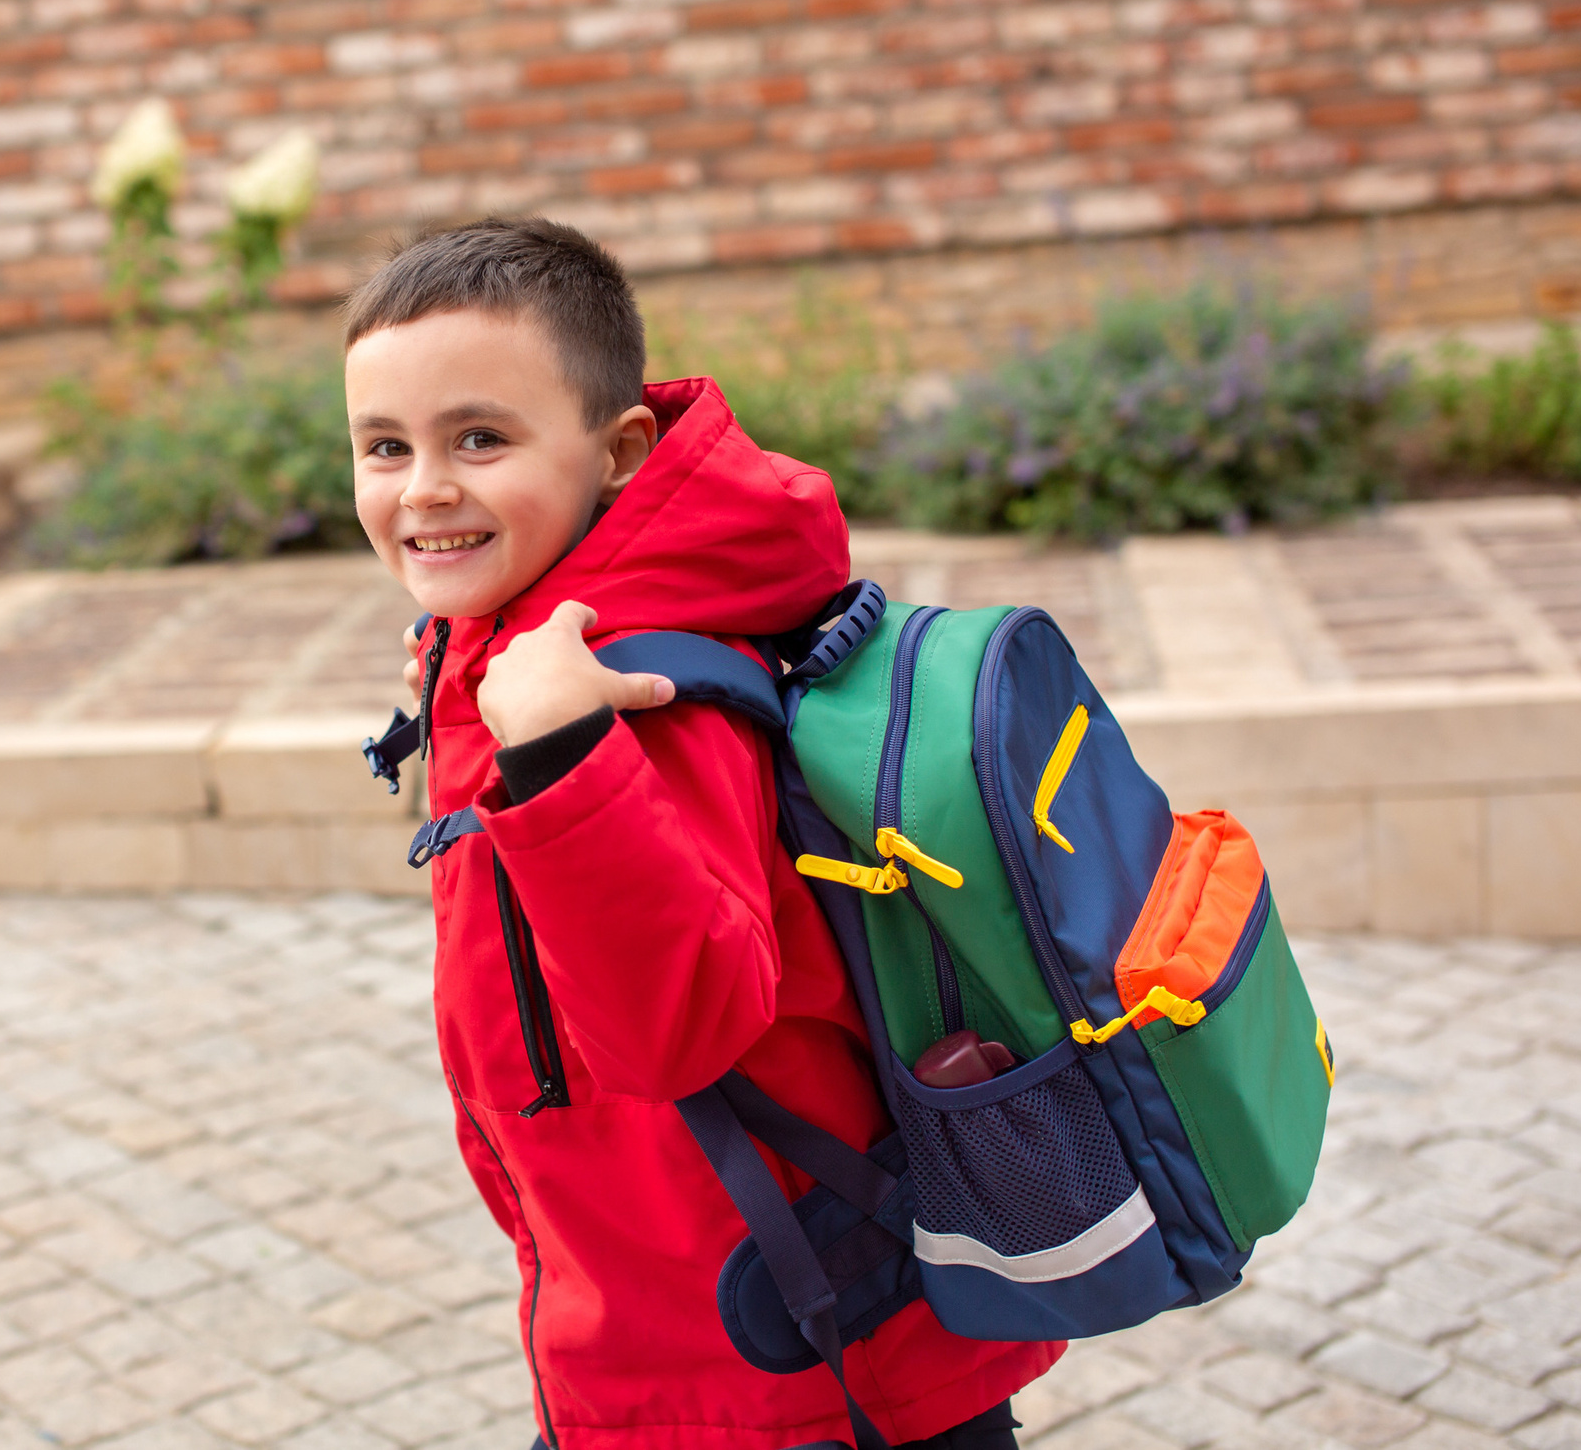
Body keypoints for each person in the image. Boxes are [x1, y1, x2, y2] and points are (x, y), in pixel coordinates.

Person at [343, 216, 1061, 1450]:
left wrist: (562, 756)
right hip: (680, 1313)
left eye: (480, 439)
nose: (424, 489)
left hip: (780, 1367)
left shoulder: (636, 688)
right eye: (384, 446)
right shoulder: (527, 629)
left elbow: (680, 1025)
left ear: (618, 451)